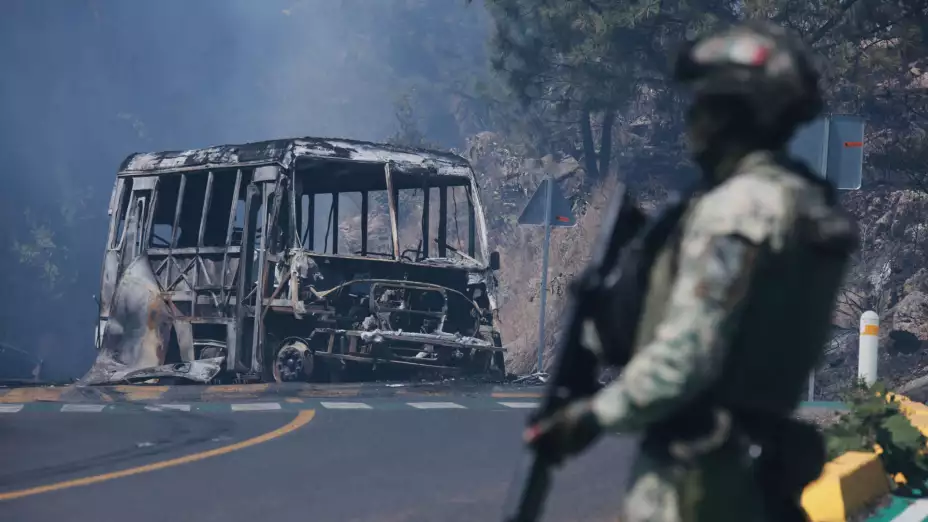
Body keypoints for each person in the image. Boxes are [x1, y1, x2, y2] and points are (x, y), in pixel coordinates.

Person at [524, 21, 859, 522]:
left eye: (704, 106)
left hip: (699, 480)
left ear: (733, 115)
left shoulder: (738, 211)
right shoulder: (805, 203)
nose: (692, 122)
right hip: (759, 469)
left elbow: (690, 354)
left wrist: (591, 417)